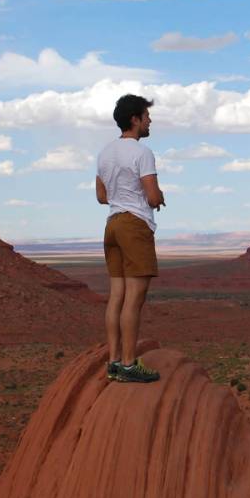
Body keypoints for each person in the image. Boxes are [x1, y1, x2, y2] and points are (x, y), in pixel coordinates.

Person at [96, 93, 166, 383]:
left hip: (112, 225)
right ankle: (128, 365)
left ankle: (113, 362)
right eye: (147, 116)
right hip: (134, 226)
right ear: (135, 119)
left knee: (116, 297)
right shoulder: (141, 152)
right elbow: (151, 194)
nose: (150, 121)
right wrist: (159, 197)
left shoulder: (104, 153)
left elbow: (102, 197)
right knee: (134, 300)